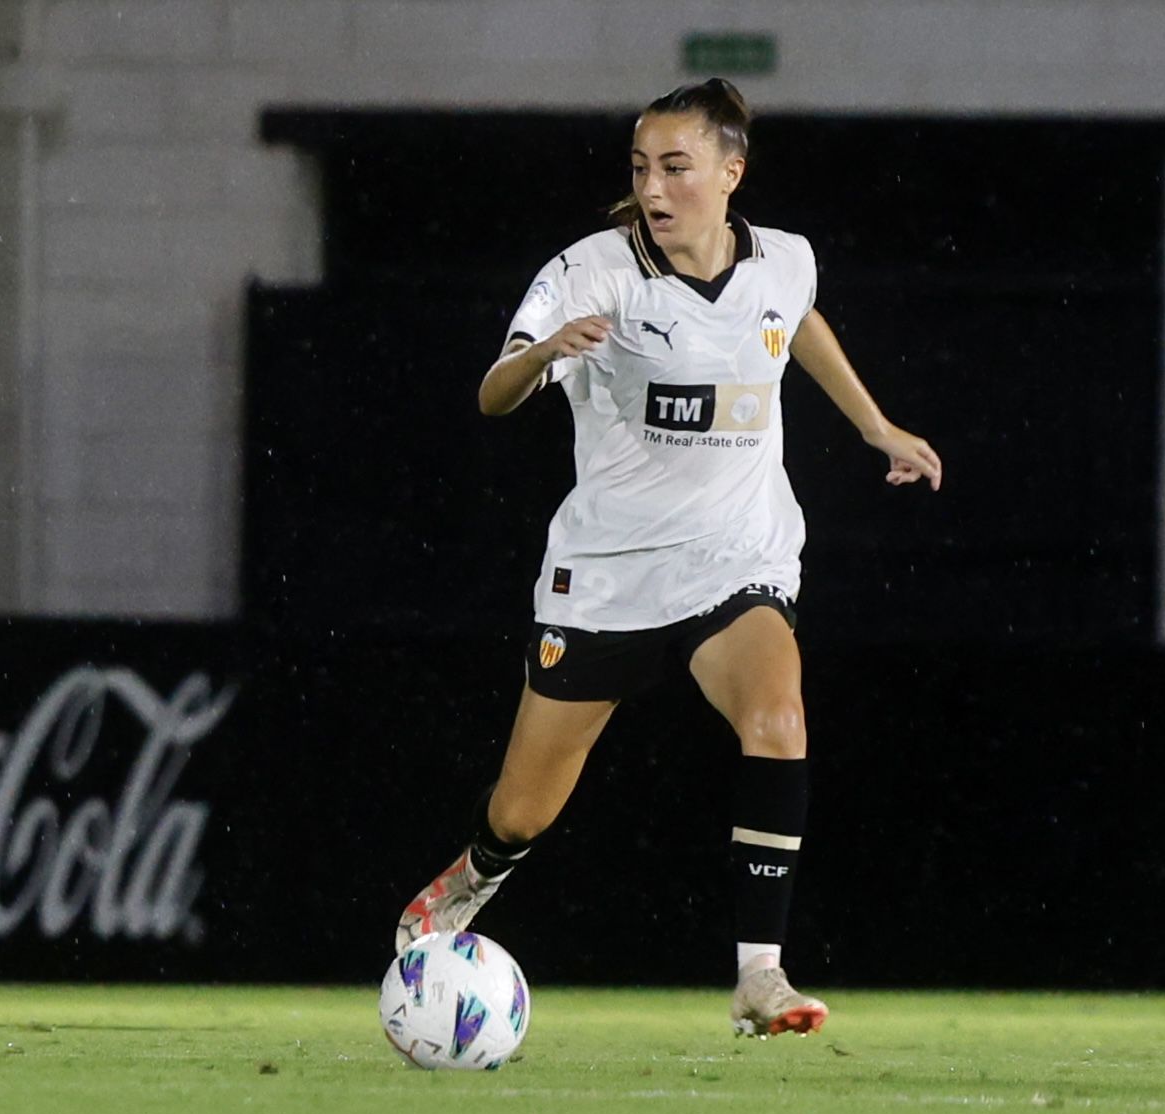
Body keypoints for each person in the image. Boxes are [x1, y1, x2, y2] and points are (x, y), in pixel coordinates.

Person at [394, 79, 942, 1038]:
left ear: (730, 172)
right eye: (641, 166)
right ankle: (472, 874)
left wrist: (875, 424)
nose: (654, 184)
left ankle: (759, 975)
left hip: (734, 556)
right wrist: (542, 354)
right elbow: (491, 394)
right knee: (522, 812)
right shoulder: (592, 272)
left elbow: (796, 317)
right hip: (606, 576)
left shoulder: (783, 261)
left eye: (676, 165)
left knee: (776, 712)